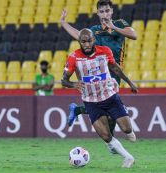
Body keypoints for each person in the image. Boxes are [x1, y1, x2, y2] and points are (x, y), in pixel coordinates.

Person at [61, 28, 137, 168]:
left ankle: (127, 129)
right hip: (91, 101)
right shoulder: (74, 57)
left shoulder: (105, 51)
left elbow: (115, 68)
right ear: (79, 42)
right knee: (106, 136)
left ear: (94, 40)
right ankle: (128, 158)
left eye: (89, 40)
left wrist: (129, 82)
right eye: (83, 41)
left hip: (109, 96)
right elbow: (64, 80)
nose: (87, 44)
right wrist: (74, 84)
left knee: (127, 130)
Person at [60, 0, 137, 136]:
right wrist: (64, 23)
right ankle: (112, 140)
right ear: (98, 13)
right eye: (102, 11)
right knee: (105, 105)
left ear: (112, 11)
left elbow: (133, 35)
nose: (105, 14)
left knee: (107, 108)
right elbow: (79, 35)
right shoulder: (94, 30)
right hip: (100, 72)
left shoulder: (119, 23)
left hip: (114, 70)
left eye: (107, 11)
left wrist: (114, 27)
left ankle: (78, 111)